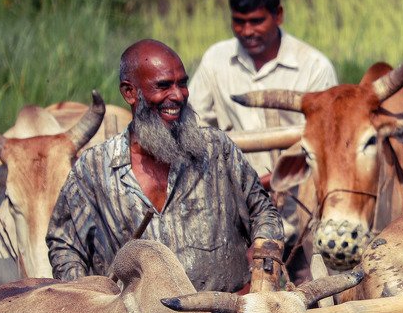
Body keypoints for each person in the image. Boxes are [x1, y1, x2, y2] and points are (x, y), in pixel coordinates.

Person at [46, 39, 285, 293]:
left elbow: (264, 213)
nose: (178, 95)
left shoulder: (216, 150)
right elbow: (64, 245)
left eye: (182, 83)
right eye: (163, 86)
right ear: (129, 93)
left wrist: (262, 273)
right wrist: (88, 302)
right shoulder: (93, 170)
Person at [188, 0, 337, 177]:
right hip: (233, 188)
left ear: (279, 15)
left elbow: (326, 139)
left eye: (257, 21)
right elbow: (192, 121)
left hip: (298, 190)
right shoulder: (215, 60)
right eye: (239, 22)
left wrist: (272, 180)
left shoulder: (315, 67)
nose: (247, 31)